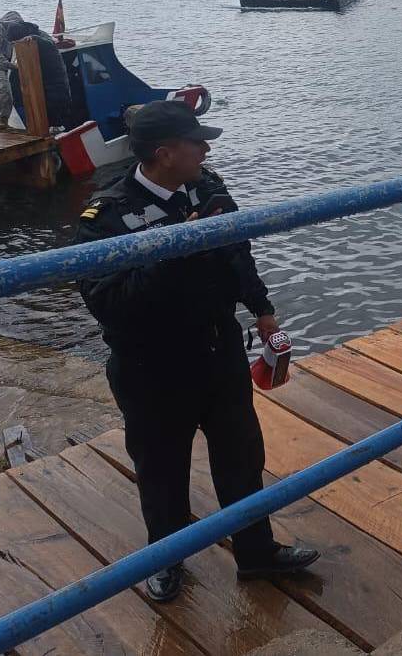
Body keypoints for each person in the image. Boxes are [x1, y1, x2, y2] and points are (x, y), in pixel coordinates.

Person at [72, 101, 318, 603]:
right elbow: (108, 305)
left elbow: (236, 252)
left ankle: (256, 553)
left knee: (243, 458)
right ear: (164, 153)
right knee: (162, 469)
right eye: (197, 143)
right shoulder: (106, 216)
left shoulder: (207, 187)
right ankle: (165, 560)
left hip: (218, 350)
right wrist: (175, 246)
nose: (207, 149)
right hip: (152, 367)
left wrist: (263, 310)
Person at [4, 20, 73, 130]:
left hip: (53, 78)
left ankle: (57, 126)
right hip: (46, 79)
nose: (14, 44)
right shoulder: (32, 34)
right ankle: (54, 126)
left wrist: (34, 38)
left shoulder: (38, 37)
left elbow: (49, 44)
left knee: (56, 103)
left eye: (15, 41)